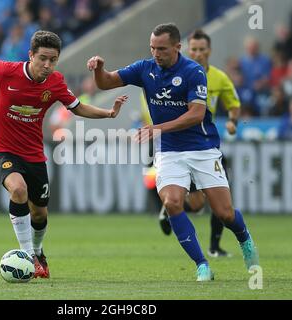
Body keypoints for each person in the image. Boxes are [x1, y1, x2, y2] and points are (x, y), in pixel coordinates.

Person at [87, 23, 259, 281]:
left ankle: (245, 240)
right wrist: (99, 68)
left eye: (162, 49)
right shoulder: (145, 68)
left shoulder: (193, 72)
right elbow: (106, 83)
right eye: (153, 48)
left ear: (178, 47)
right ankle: (202, 265)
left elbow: (197, 114)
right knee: (172, 202)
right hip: (169, 151)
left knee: (224, 213)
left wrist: (158, 127)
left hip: (203, 148)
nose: (156, 53)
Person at [0, 30, 128, 279]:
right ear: (30, 55)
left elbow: (77, 108)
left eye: (52, 60)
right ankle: (28, 257)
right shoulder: (6, 71)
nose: (47, 65)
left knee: (39, 213)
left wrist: (108, 113)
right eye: (42, 58)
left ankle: (38, 251)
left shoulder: (55, 82)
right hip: (2, 149)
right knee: (18, 189)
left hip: (34, 154)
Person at [157, 29, 241, 258]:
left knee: (220, 198)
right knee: (194, 204)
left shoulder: (219, 78)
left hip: (207, 144)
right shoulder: (177, 74)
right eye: (194, 49)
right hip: (182, 144)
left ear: (209, 51)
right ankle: (170, 207)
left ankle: (214, 246)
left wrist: (233, 121)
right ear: (186, 49)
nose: (198, 53)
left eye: (202, 49)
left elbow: (233, 103)